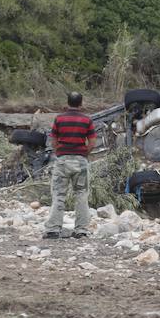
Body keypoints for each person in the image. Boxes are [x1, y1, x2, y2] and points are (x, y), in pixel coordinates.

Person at [44, 92, 96, 239]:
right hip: (80, 161)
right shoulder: (87, 120)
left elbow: (53, 141)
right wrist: (84, 153)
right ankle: (81, 230)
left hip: (62, 161)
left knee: (59, 195)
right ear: (81, 103)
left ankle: (53, 229)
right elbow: (92, 142)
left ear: (67, 103)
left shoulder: (59, 119)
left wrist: (59, 153)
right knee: (81, 195)